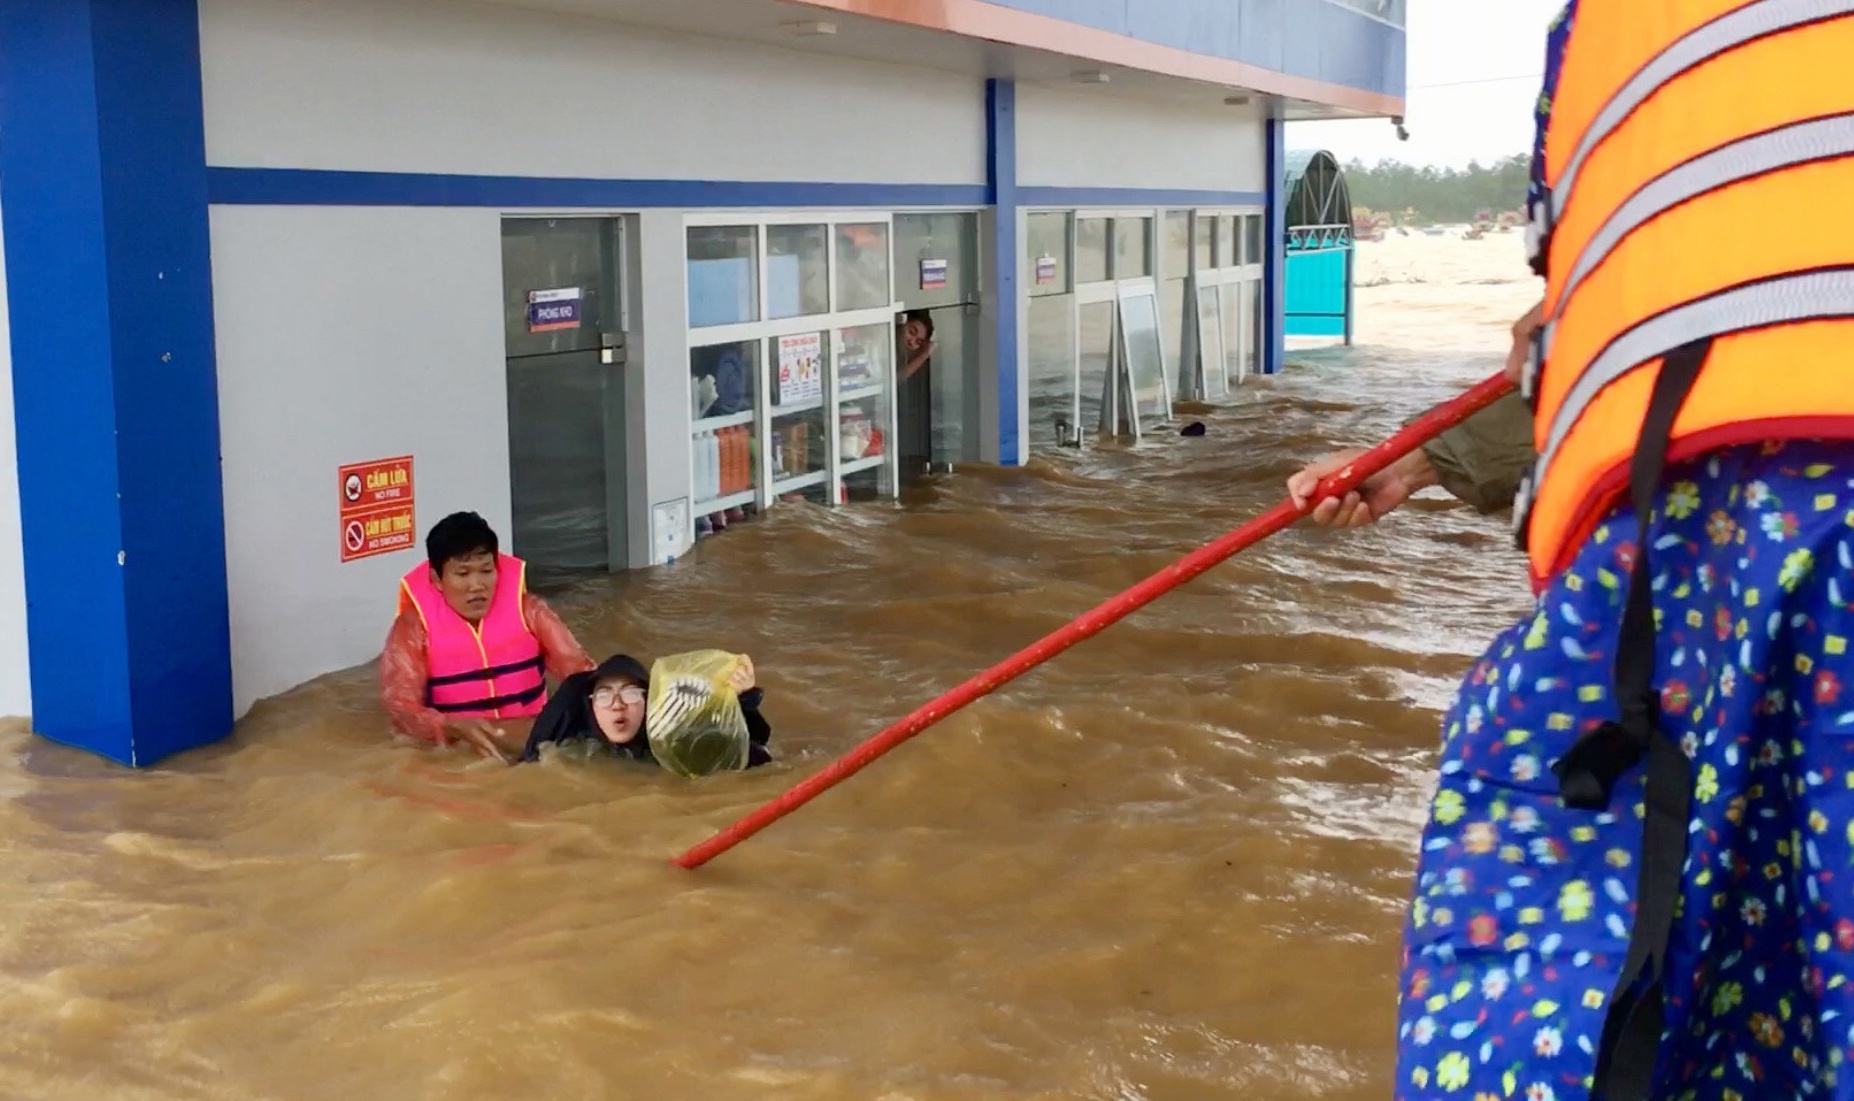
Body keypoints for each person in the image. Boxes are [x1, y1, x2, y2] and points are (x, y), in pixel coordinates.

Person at [1290, 3, 1854, 1098]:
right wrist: (1421, 464)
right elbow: (1614, 325)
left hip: (1712, 603)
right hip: (1688, 596)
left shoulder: (1603, 40)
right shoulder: (1610, 48)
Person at [380, 512, 595, 763]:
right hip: (456, 755)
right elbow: (401, 708)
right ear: (437, 579)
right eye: (462, 574)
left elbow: (583, 676)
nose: (477, 585)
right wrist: (450, 726)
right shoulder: (412, 629)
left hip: (534, 745)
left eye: (486, 571)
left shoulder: (531, 612)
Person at [520, 652, 774, 768]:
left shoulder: (673, 738)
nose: (617, 704)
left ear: (649, 702)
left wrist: (745, 701)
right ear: (591, 706)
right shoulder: (574, 746)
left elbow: (754, 758)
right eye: (604, 695)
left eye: (631, 693)